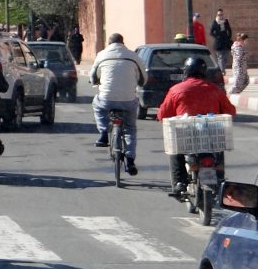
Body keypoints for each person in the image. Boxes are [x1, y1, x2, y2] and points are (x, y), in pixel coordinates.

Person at [157, 56, 236, 197]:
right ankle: (220, 176)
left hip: (186, 134)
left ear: (186, 72)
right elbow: (230, 111)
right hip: (211, 135)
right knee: (218, 146)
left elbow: (163, 114)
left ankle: (179, 182)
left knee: (175, 149)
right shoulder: (215, 89)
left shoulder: (176, 89)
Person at [88, 33, 146, 175]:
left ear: (109, 43)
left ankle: (103, 133)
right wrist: (139, 83)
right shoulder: (133, 55)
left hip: (106, 98)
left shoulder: (102, 54)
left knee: (97, 104)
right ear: (122, 42)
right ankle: (130, 160)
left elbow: (93, 75)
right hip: (128, 100)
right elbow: (143, 77)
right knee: (130, 129)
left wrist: (95, 82)